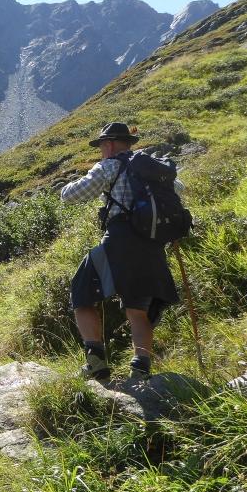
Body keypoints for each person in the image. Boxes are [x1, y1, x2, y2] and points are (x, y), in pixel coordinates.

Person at [59, 122, 181, 382]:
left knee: (81, 292)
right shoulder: (151, 168)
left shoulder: (109, 165)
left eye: (102, 146)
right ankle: (141, 368)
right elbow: (179, 189)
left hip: (120, 240)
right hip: (152, 245)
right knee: (137, 308)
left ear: (110, 144)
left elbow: (72, 195)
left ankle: (96, 363)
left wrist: (65, 188)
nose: (102, 151)